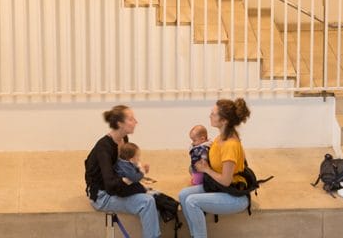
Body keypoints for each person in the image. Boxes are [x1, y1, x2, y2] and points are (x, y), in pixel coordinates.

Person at [178, 98, 252, 238]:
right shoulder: (220, 137)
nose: (210, 116)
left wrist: (206, 170)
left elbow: (226, 180)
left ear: (224, 120)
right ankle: (196, 235)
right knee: (183, 194)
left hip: (234, 195)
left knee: (192, 201)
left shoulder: (230, 145)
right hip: (219, 187)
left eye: (213, 114)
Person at [84, 105, 160, 238]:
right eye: (131, 119)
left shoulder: (124, 140)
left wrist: (138, 169)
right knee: (147, 202)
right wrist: (133, 178)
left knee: (154, 195)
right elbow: (110, 184)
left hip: (116, 189)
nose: (136, 122)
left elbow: (124, 167)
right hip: (102, 196)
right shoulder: (104, 147)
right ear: (120, 124)